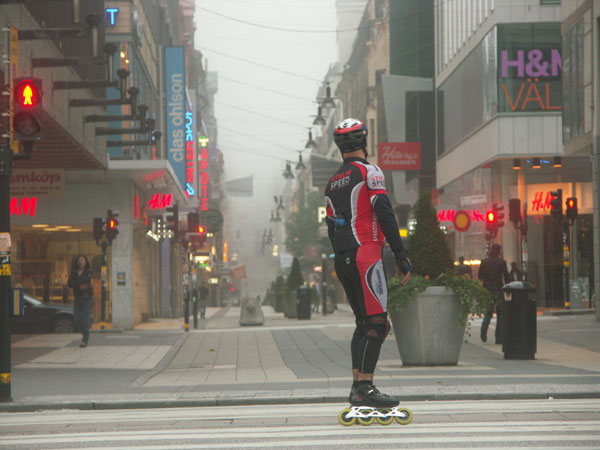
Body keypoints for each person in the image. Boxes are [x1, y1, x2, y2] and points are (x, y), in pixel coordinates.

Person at [324, 118, 412, 409]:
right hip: (367, 254)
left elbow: (330, 226)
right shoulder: (369, 171)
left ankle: (356, 386)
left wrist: (341, 256)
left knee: (363, 324)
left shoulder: (332, 182)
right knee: (377, 324)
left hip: (344, 257)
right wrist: (401, 253)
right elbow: (384, 211)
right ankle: (366, 388)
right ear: (363, 141)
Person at [478, 243, 510, 344]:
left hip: (487, 290)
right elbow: (506, 276)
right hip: (498, 290)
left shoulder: (484, 262)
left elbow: (480, 276)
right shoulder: (501, 262)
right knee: (500, 314)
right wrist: (508, 288)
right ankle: (498, 337)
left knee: (488, 312)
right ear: (499, 251)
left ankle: (483, 330)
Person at [68, 255, 93, 347]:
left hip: (87, 298)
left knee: (84, 318)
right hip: (77, 298)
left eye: (82, 260)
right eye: (79, 260)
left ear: (86, 262)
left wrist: (76, 283)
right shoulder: (74, 272)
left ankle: (85, 340)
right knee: (76, 318)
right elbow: (69, 283)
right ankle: (85, 333)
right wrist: (79, 284)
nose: (80, 261)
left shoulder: (89, 271)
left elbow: (86, 281)